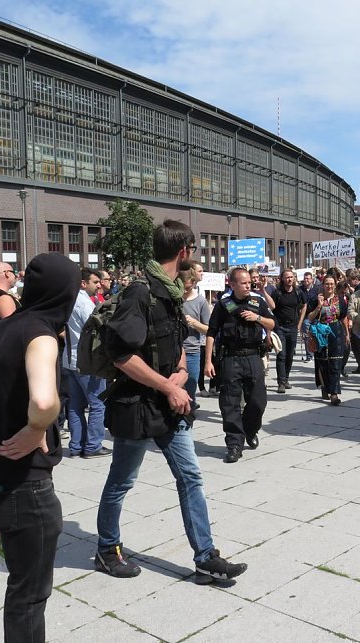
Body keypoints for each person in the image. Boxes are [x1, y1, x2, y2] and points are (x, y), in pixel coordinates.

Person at [96, 220, 247, 583]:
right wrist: (169, 386)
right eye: (193, 251)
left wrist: (180, 371)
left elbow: (175, 342)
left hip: (169, 403)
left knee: (190, 476)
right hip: (138, 404)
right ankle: (106, 547)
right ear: (184, 251)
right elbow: (121, 356)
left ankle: (205, 555)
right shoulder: (139, 292)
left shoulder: (172, 292)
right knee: (122, 481)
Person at [0, 253, 79, 643]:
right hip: (25, 484)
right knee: (30, 594)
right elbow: (43, 400)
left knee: (21, 587)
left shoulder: (7, 324)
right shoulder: (41, 334)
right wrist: (40, 426)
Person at [205, 267, 274, 463]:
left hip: (253, 357)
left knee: (258, 402)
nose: (248, 285)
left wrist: (258, 318)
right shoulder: (223, 305)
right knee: (230, 403)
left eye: (248, 282)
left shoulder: (257, 301)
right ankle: (234, 444)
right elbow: (211, 332)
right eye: (243, 283)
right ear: (232, 284)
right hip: (231, 359)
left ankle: (250, 431)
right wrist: (208, 361)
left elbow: (272, 324)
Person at [62, 268, 110, 458]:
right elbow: (97, 329)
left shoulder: (68, 300)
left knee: (75, 405)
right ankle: (92, 446)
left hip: (69, 358)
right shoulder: (84, 303)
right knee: (97, 404)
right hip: (86, 360)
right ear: (83, 283)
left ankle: (76, 446)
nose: (99, 285)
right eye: (95, 282)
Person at [306, 273, 349, 405]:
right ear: (323, 285)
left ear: (335, 285)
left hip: (335, 331)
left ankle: (334, 393)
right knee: (322, 362)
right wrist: (319, 306)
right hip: (320, 331)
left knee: (335, 362)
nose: (329, 286)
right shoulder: (315, 299)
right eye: (327, 284)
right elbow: (310, 318)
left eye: (331, 283)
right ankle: (325, 387)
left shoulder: (341, 299)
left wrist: (347, 333)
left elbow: (343, 317)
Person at [271, 269, 306, 394]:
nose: (289, 279)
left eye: (291, 277)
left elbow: (304, 305)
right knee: (281, 355)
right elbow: (271, 308)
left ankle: (286, 378)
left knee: (290, 356)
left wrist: (300, 323)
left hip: (293, 328)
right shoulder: (277, 293)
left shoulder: (298, 292)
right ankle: (281, 382)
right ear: (282, 279)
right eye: (287, 277)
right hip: (280, 327)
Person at [182, 264, 211, 401]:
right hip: (174, 351)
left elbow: (209, 329)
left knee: (189, 393)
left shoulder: (201, 302)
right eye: (181, 286)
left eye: (187, 287)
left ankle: (186, 420)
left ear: (194, 282)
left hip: (192, 351)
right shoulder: (174, 299)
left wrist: (194, 323)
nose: (184, 290)